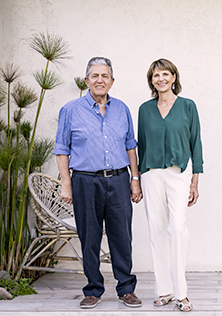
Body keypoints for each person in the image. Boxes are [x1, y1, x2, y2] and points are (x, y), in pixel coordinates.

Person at [54, 57, 143, 309]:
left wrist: (134, 180)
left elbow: (130, 146)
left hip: (119, 179)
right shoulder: (70, 110)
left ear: (112, 81)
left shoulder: (122, 109)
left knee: (122, 236)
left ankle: (126, 288)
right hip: (84, 181)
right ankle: (93, 289)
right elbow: (62, 150)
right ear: (86, 81)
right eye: (94, 76)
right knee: (89, 237)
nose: (100, 80)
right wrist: (66, 184)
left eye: (104, 76)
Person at [137, 58, 203, 312]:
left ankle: (181, 293)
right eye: (156, 75)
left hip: (179, 174)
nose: (161, 79)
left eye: (166, 74)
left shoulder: (188, 106)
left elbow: (196, 142)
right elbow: (140, 144)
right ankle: (163, 290)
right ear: (151, 80)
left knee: (177, 229)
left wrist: (195, 179)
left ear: (174, 78)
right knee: (156, 230)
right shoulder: (145, 109)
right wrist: (137, 178)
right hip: (151, 174)